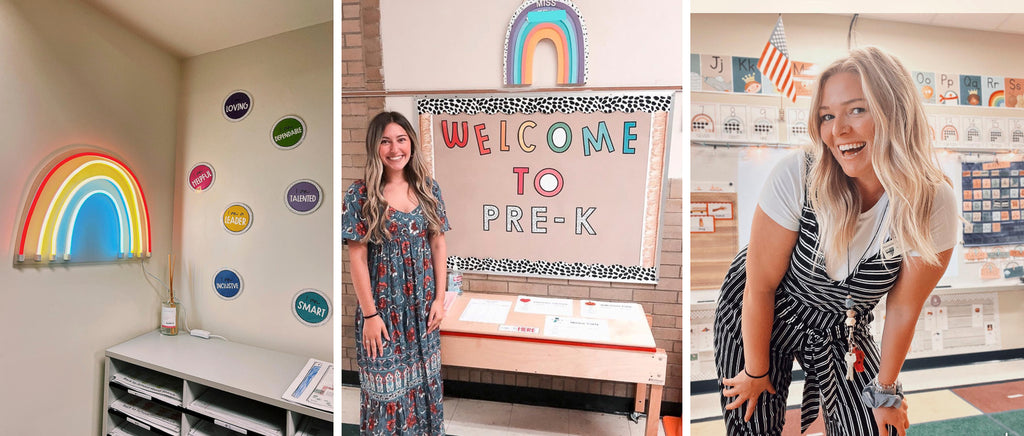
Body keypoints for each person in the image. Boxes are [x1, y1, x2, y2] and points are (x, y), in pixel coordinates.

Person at [714, 46, 958, 436]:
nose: (838, 130)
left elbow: (902, 310)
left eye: (857, 110)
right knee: (752, 419)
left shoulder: (933, 203)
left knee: (877, 427)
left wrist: (885, 392)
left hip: (841, 326)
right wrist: (756, 372)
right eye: (827, 116)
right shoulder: (797, 174)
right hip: (762, 308)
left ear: (895, 111)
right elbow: (760, 286)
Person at [343, 111, 450, 435]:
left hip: (422, 312)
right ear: (375, 147)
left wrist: (439, 299)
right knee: (386, 394)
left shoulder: (429, 189)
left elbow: (438, 245)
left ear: (411, 144)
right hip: (383, 316)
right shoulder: (360, 194)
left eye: (401, 140)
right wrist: (371, 314)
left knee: (423, 387)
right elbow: (357, 258)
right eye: (385, 141)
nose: (394, 149)